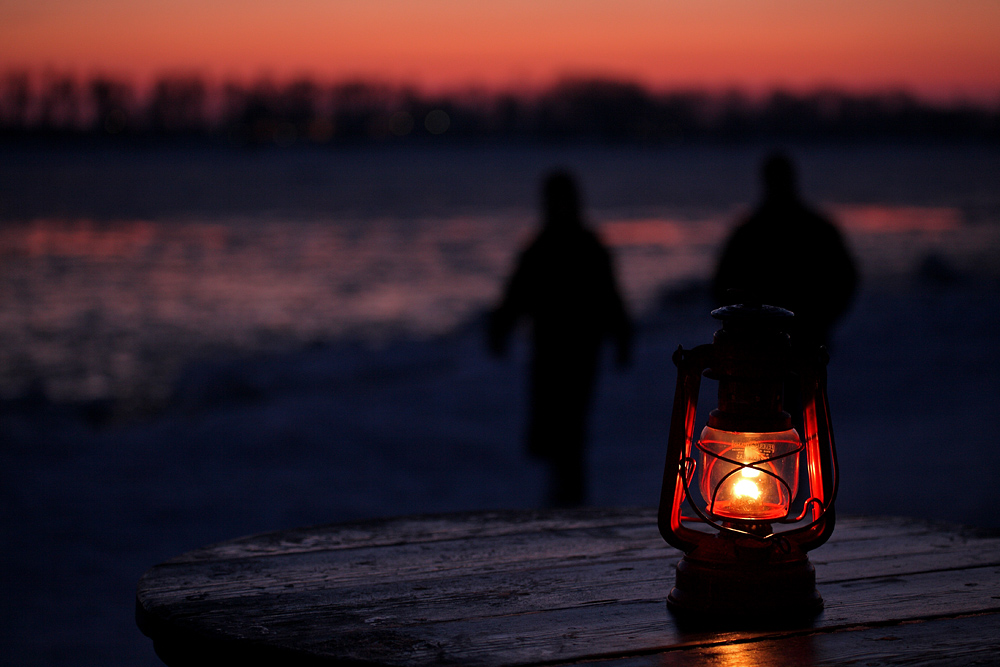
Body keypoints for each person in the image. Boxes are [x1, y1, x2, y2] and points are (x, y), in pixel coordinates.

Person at [488, 171, 632, 507]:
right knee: (558, 426)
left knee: (569, 425)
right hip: (555, 350)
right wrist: (500, 329)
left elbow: (610, 298)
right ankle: (565, 489)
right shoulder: (552, 246)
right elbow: (516, 296)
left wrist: (623, 337)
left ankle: (568, 493)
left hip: (576, 351)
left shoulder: (572, 245)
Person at [712, 152, 858, 348]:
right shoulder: (818, 228)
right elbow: (847, 277)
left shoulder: (748, 232)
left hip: (766, 343)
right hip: (793, 340)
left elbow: (721, 284)